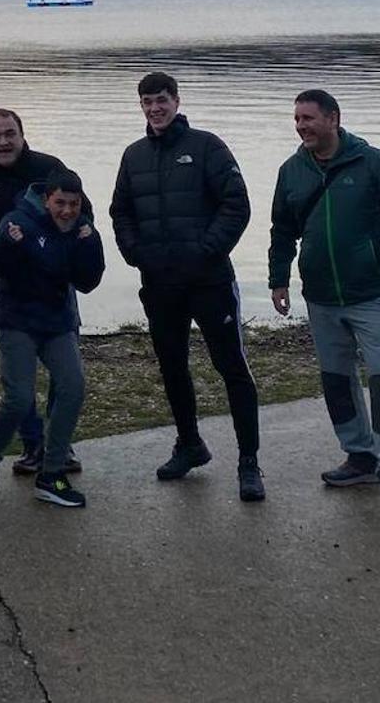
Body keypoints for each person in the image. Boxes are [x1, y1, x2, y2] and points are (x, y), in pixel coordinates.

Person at [269, 89, 380, 516]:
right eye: (297, 119)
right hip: (321, 297)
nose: (302, 126)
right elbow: (282, 230)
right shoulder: (292, 172)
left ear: (333, 119)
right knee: (336, 380)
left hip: (372, 294)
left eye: (309, 118)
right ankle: (360, 456)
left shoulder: (372, 162)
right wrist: (278, 279)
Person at [109, 71, 265, 502]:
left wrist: (204, 250)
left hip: (209, 281)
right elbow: (120, 210)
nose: (155, 109)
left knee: (231, 367)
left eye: (161, 100)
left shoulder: (206, 147)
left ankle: (249, 462)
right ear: (140, 106)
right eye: (146, 102)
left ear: (177, 101)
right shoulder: (133, 155)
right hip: (159, 284)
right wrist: (134, 252)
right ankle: (189, 444)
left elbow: (237, 205)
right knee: (172, 366)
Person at [0, 108, 91, 474]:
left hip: (58, 289)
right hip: (9, 290)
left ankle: (60, 445)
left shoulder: (49, 169)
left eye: (9, 133)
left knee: (67, 375)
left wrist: (62, 243)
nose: (3, 141)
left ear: (22, 134)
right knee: (20, 383)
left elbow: (83, 214)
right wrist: (4, 239)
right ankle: (33, 445)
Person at [0, 168, 104, 508]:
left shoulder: (83, 229)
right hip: (17, 320)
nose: (67, 211)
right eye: (60, 203)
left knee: (72, 387)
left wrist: (88, 245)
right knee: (19, 398)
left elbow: (88, 281)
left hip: (57, 321)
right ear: (46, 199)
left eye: (73, 204)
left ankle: (51, 473)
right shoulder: (18, 221)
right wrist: (7, 246)